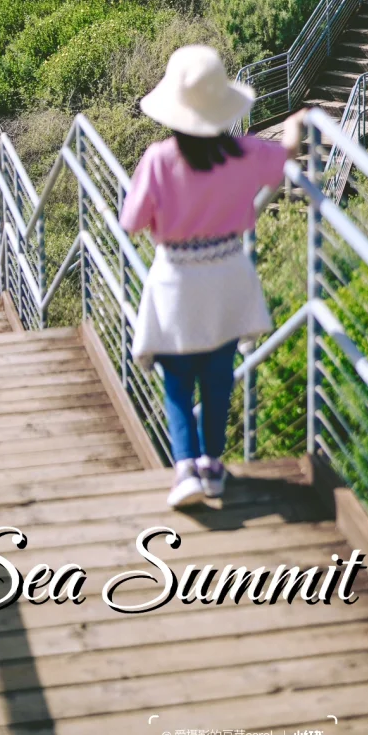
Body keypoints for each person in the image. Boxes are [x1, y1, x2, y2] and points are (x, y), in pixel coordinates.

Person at [120, 45, 304, 510]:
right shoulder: (243, 153)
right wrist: (299, 127)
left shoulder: (159, 160)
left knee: (178, 380)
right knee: (218, 378)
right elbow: (282, 158)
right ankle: (212, 466)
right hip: (227, 275)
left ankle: (185, 469)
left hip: (177, 278)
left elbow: (132, 221)